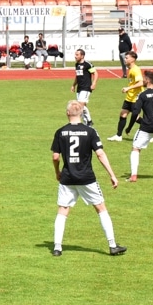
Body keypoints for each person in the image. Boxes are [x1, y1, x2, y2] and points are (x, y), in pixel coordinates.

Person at [50, 100, 125, 257]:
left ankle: (57, 247)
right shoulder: (90, 132)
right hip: (87, 178)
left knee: (63, 211)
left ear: (67, 113)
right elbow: (100, 154)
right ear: (82, 114)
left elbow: (56, 157)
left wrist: (57, 172)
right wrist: (111, 174)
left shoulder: (60, 132)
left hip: (68, 178)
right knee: (100, 208)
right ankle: (112, 245)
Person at [109, 51, 143, 141]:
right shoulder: (130, 69)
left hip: (136, 98)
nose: (125, 59)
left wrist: (128, 88)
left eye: (127, 58)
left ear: (133, 59)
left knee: (136, 118)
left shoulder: (136, 70)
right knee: (123, 114)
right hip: (130, 97)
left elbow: (141, 82)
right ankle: (118, 136)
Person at [71, 49, 97, 127]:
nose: (75, 56)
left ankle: (89, 121)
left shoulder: (87, 64)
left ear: (82, 56)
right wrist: (74, 85)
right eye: (75, 55)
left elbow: (95, 73)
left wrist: (94, 83)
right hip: (79, 88)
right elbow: (77, 76)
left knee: (80, 105)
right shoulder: (77, 65)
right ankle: (87, 125)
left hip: (86, 87)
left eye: (77, 55)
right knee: (82, 107)